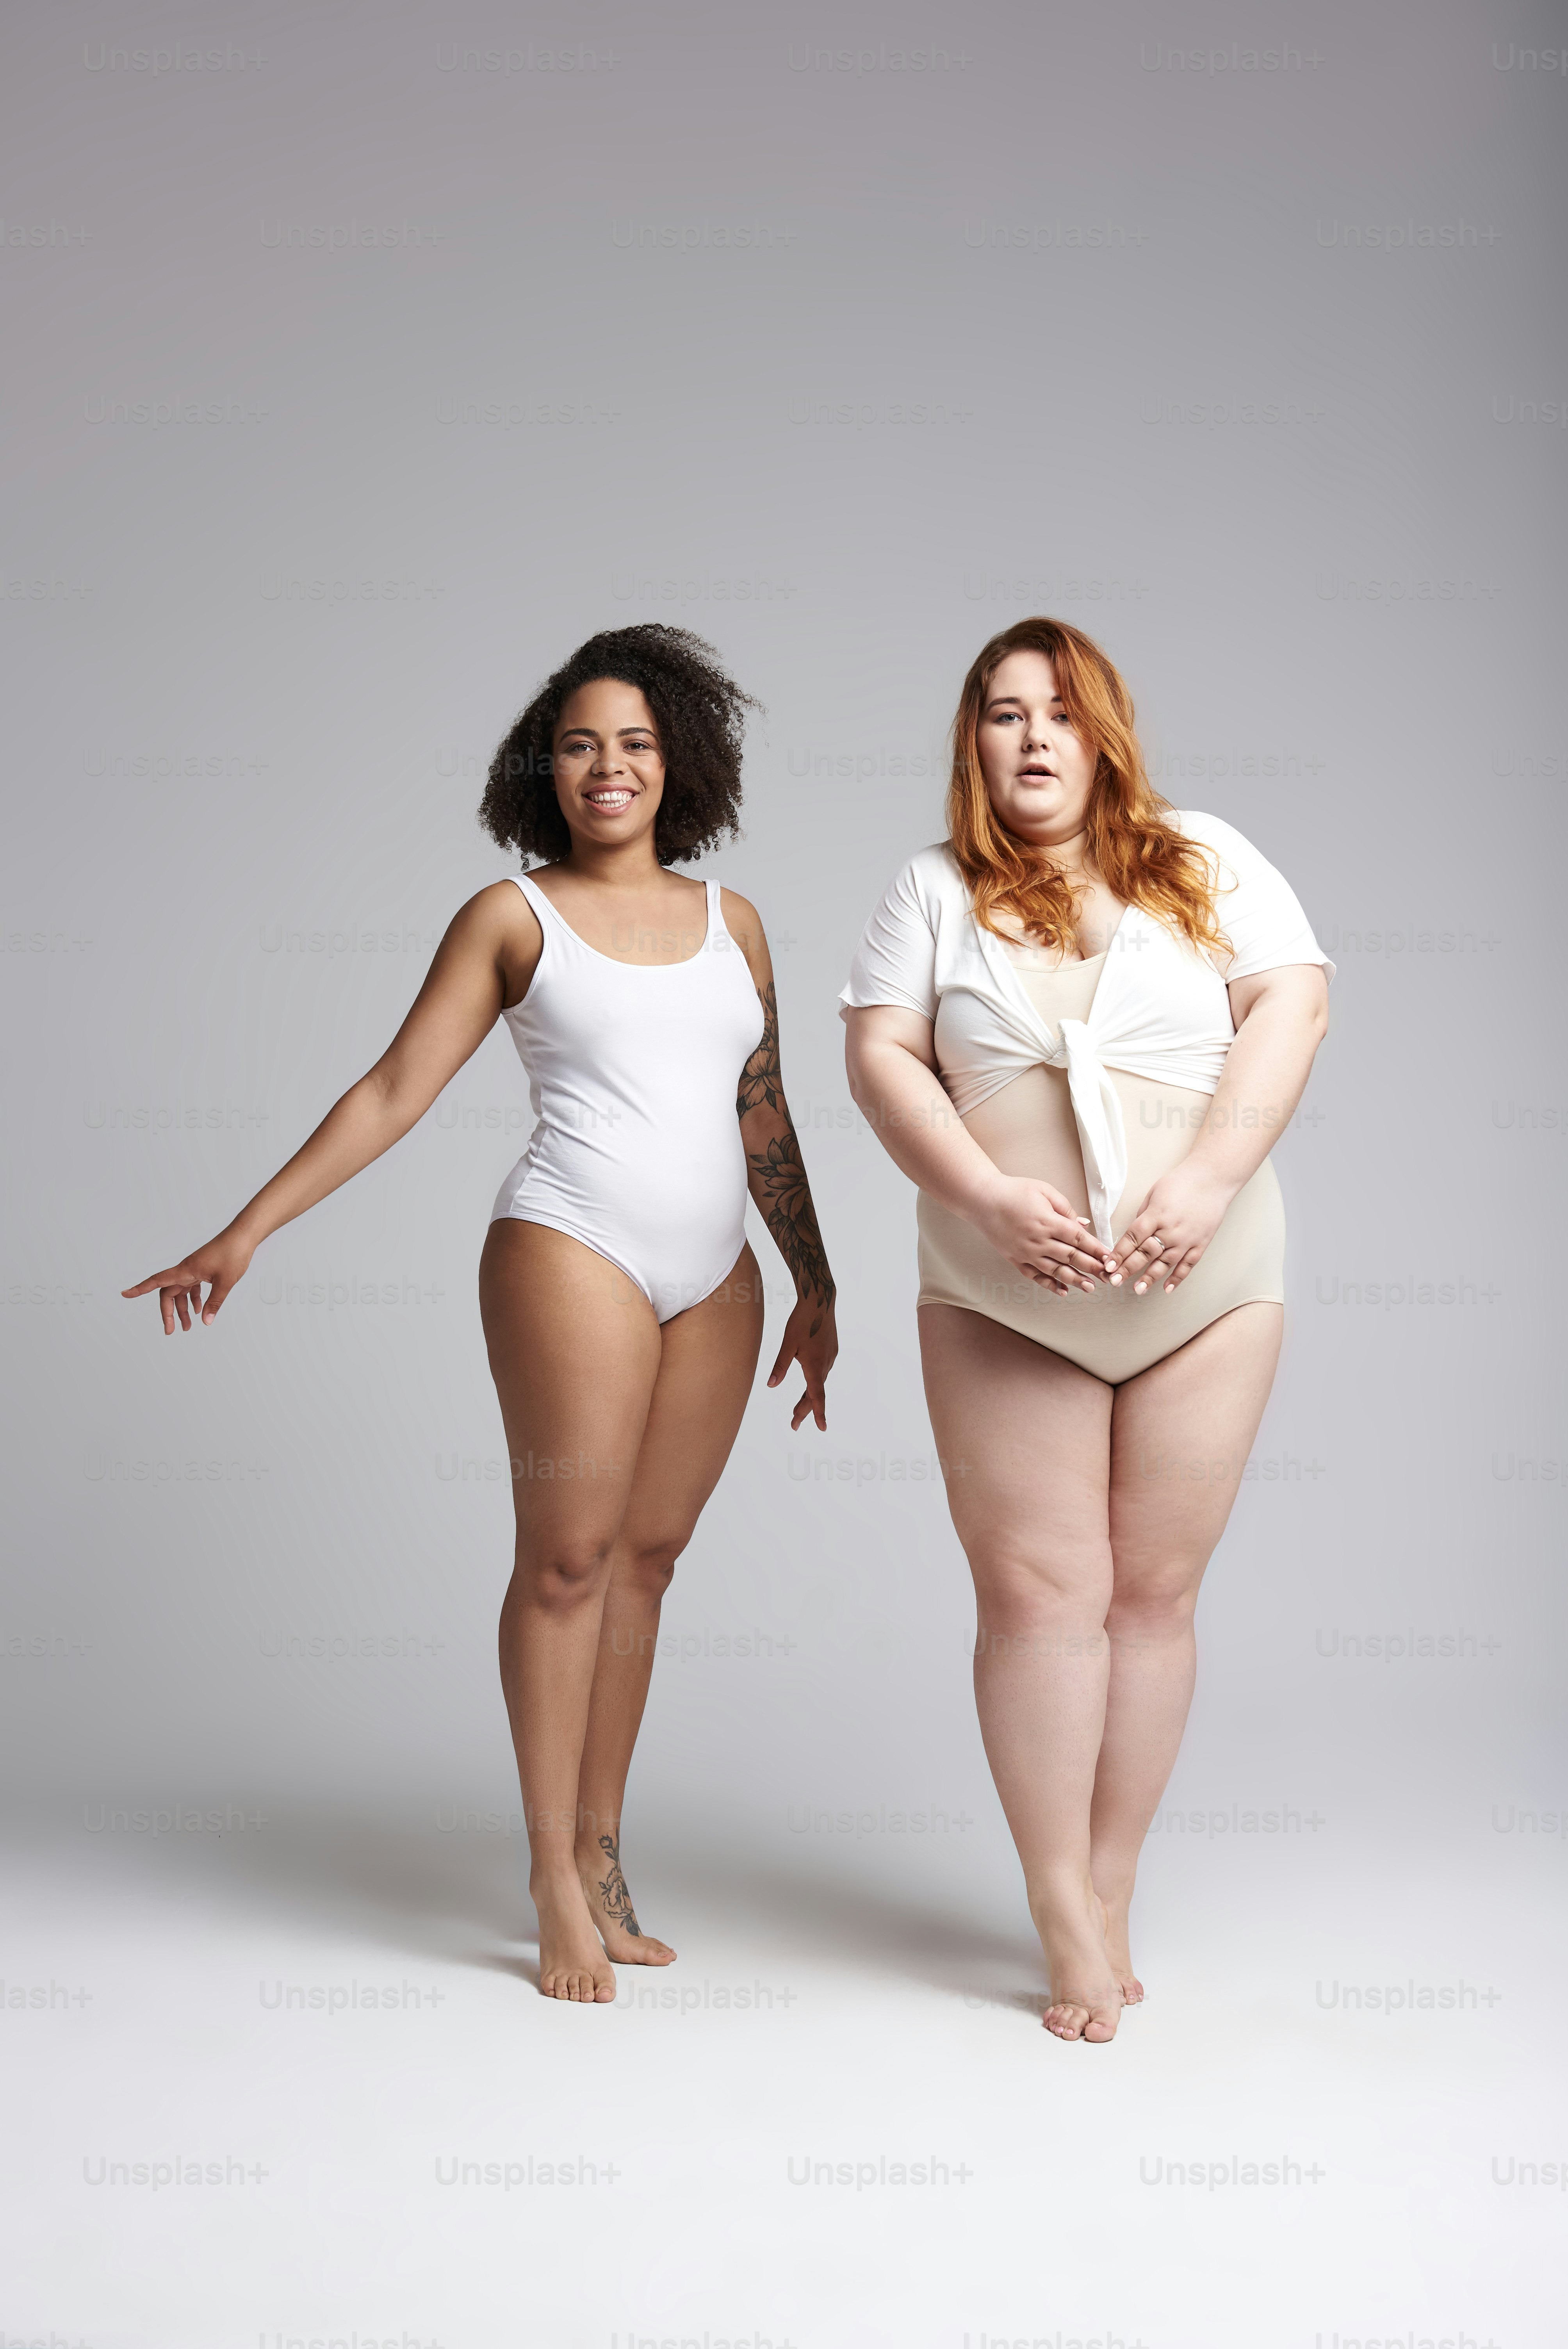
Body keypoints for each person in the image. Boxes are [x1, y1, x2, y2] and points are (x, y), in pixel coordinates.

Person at [125, 623, 837, 2005]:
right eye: (579, 744)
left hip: (721, 1279)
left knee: (649, 1563)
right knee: (568, 1561)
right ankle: (550, 1877)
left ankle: (606, 1850)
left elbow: (765, 1111)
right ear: (545, 768)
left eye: (634, 742)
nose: (608, 767)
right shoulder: (514, 917)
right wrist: (246, 1230)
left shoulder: (735, 923)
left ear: (677, 760)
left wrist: (816, 1281)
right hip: (572, 1244)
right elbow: (395, 1089)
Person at [840, 617, 1330, 2042]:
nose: (1033, 738)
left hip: (1208, 1280)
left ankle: (1110, 1881)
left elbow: (1291, 1007)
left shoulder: (1206, 856)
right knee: (1040, 1599)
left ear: (1105, 730)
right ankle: (1058, 1902)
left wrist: (1209, 1177)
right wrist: (992, 1198)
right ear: (971, 744)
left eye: (1059, 711)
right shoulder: (928, 891)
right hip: (1008, 1293)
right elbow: (881, 1061)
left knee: (1154, 1598)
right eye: (1003, 714)